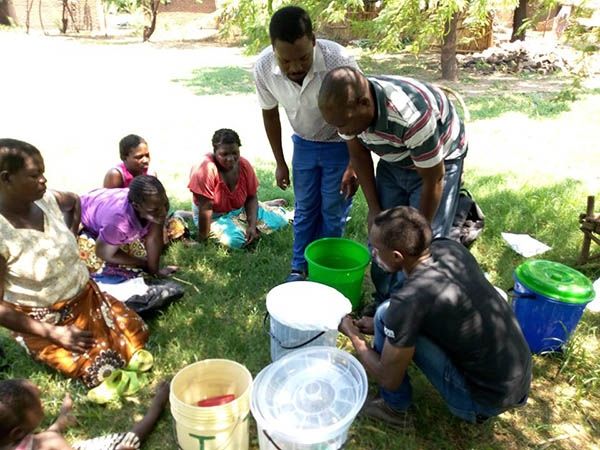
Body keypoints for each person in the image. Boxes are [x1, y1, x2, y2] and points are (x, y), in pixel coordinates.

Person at [339, 207, 532, 429]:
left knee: (388, 314)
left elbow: (388, 377)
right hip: (517, 381)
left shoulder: (408, 301)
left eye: (376, 248)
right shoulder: (449, 248)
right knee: (388, 316)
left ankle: (393, 409)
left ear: (396, 256)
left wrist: (354, 336)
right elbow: (429, 305)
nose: (372, 252)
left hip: (482, 401)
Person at [0, 138, 148, 388]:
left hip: (88, 299)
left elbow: (73, 201)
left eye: (43, 173)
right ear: (6, 179)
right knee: (100, 369)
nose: (43, 181)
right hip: (46, 320)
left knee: (136, 333)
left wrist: (70, 234)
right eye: (35, 175)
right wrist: (54, 333)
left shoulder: (45, 200)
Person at [318, 66, 468, 307]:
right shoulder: (345, 112)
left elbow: (433, 179)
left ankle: (411, 307)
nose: (343, 132)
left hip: (439, 161)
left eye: (344, 126)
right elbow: (358, 155)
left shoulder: (411, 116)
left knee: (422, 245)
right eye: (337, 127)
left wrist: (418, 232)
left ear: (364, 103)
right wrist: (374, 210)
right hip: (394, 157)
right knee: (383, 236)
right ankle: (384, 302)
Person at [254, 6, 360, 281]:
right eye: (286, 61)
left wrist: (354, 161)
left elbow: (362, 111)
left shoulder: (339, 59)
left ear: (313, 40)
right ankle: (299, 267)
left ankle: (324, 267)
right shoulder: (264, 67)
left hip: (341, 143)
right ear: (273, 48)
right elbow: (270, 113)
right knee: (304, 209)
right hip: (303, 143)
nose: (295, 67)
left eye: (302, 58)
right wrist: (279, 162)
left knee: (332, 208)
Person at [188, 128, 288, 249]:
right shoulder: (205, 169)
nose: (230, 159)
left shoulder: (244, 165)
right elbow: (205, 209)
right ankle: (188, 215)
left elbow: (251, 197)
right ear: (215, 151)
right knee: (235, 240)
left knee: (281, 220)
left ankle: (256, 210)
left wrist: (251, 226)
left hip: (238, 209)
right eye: (224, 154)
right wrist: (202, 239)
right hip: (213, 216)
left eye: (234, 153)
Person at [0, 378, 169, 450]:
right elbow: (44, 440)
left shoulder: (9, 441)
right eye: (38, 401)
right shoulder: (49, 442)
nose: (42, 403)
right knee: (126, 440)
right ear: (18, 432)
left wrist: (60, 422)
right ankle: (156, 407)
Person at [79, 176, 177, 277]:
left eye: (165, 204)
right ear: (136, 206)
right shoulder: (119, 223)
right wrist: (142, 263)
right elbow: (103, 252)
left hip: (104, 206)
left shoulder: (155, 205)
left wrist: (154, 271)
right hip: (84, 216)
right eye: (155, 210)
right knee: (101, 267)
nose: (163, 212)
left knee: (142, 252)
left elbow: (154, 238)